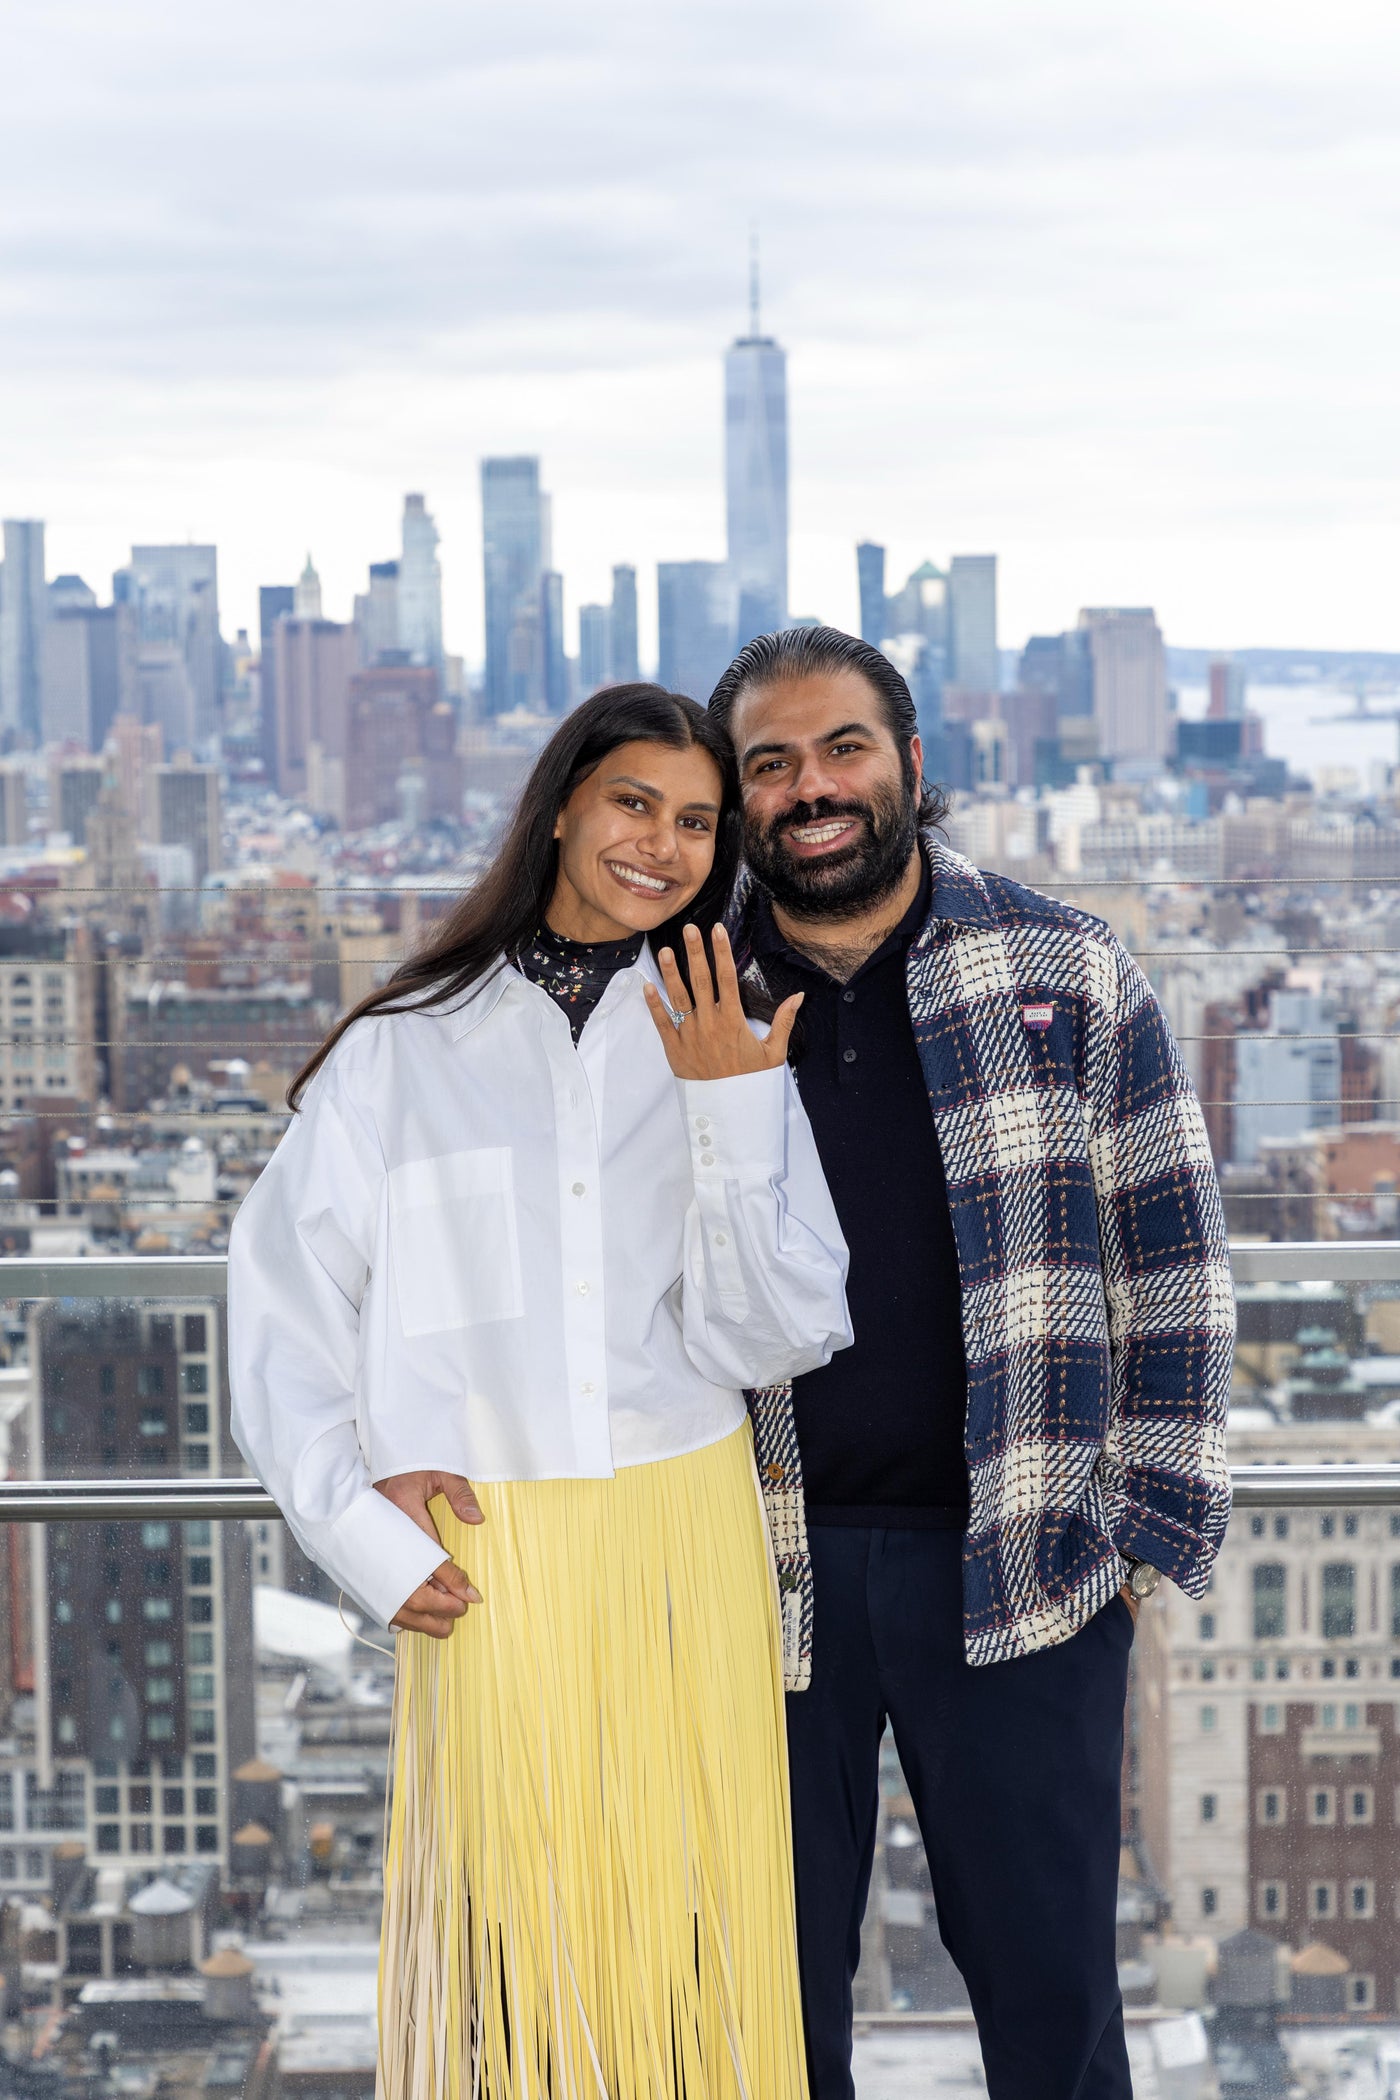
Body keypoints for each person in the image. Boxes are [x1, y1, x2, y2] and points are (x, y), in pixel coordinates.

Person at [227, 684, 852, 2100]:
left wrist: (729, 1107)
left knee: (704, 1949)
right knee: (524, 1968)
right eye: (636, 803)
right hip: (491, 1558)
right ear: (563, 803)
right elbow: (281, 1315)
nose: (665, 844)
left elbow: (778, 1334)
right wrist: (363, 1534)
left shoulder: (728, 1030)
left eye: (699, 821)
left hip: (687, 1541)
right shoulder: (403, 1047)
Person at [708, 627, 1235, 2100]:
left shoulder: (1064, 963)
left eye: (842, 749)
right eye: (771, 764)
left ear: (911, 764)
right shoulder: (682, 993)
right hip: (755, 1577)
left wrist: (1143, 1531)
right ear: (739, 797)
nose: (811, 788)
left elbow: (1175, 1255)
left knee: (1051, 2003)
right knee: (760, 2010)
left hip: (1021, 1565)